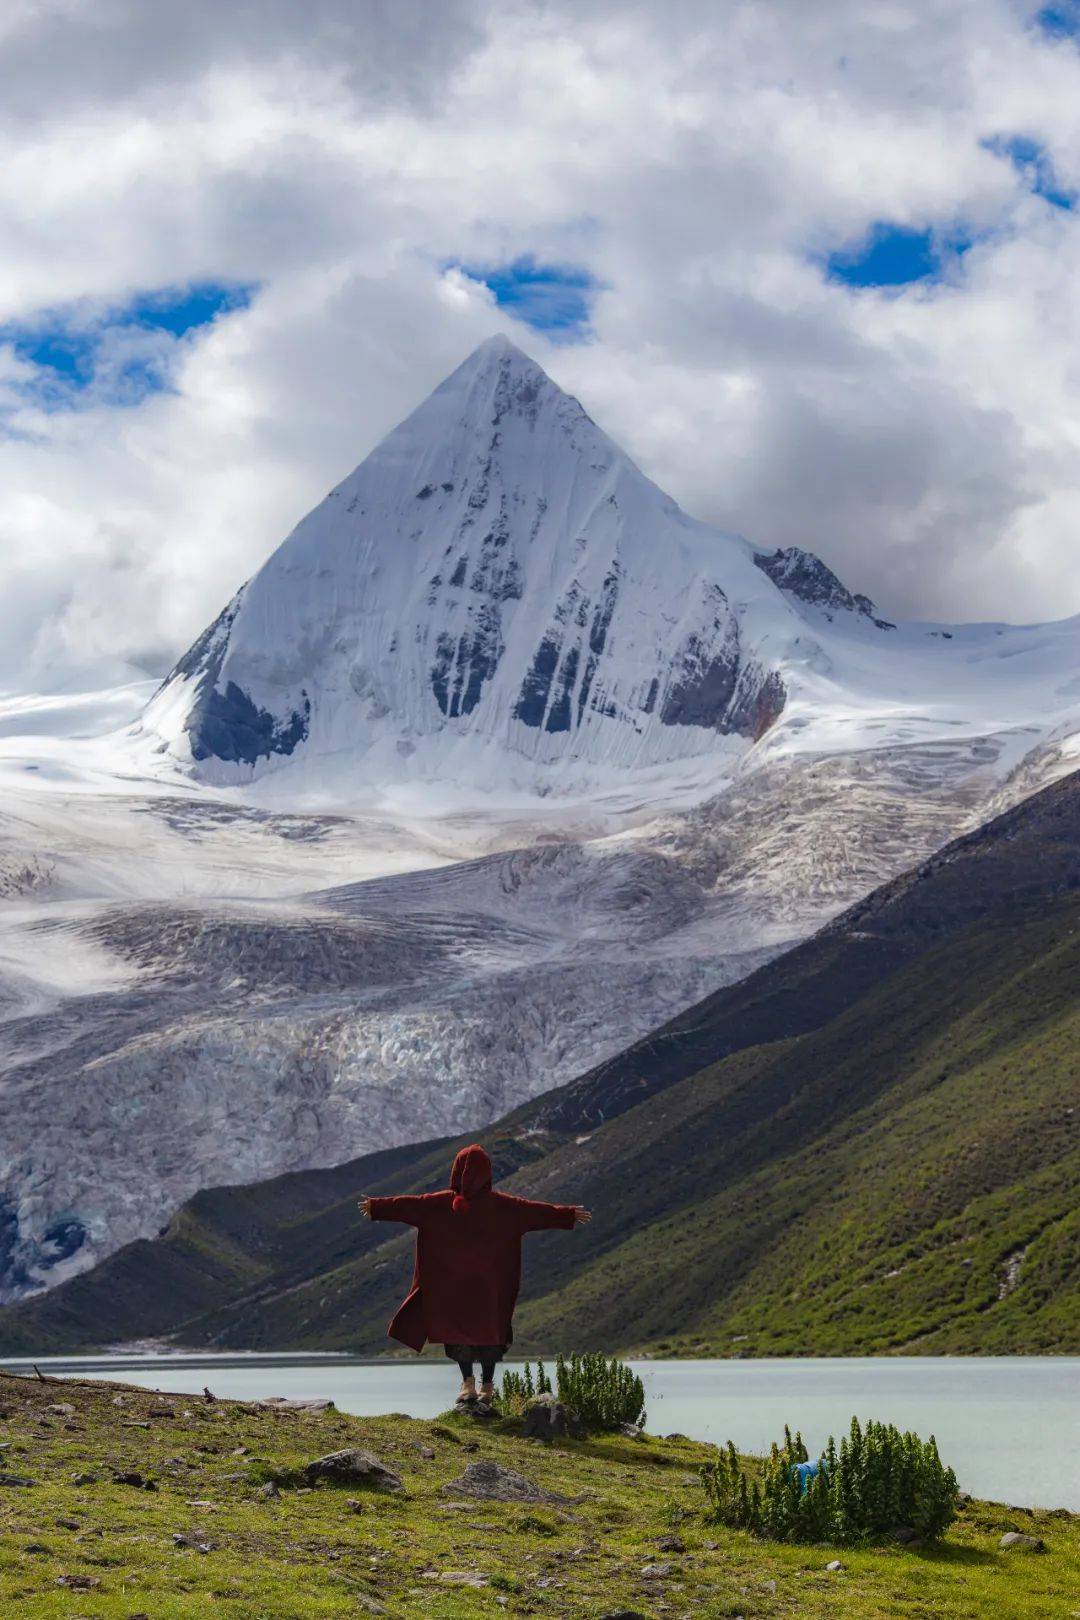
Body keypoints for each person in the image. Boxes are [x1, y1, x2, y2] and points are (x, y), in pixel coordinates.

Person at [359, 1143, 591, 1410]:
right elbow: (537, 1211)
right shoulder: (506, 1207)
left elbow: (407, 1205)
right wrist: (567, 1215)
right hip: (490, 1289)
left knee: (457, 1332)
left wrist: (377, 1207)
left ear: (456, 1171)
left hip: (452, 1288)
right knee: (491, 1333)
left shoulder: (438, 1204)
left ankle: (468, 1383)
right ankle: (487, 1387)